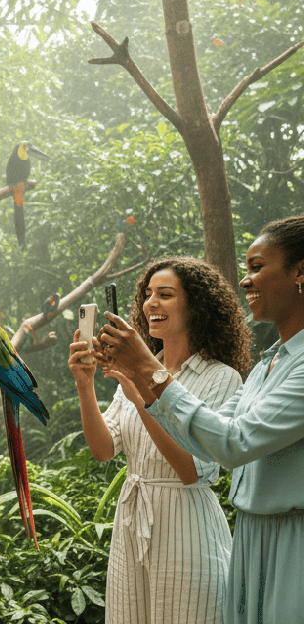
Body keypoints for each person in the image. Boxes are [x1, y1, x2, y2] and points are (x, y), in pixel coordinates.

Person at [97, 216, 304, 624]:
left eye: (258, 267)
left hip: (291, 539)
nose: (245, 281)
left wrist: (146, 371)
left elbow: (230, 444)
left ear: (300, 272)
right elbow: (209, 434)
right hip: (249, 536)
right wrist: (130, 377)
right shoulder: (267, 366)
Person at [69, 256, 250, 624]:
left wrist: (140, 392)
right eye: (148, 294)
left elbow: (190, 470)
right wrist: (85, 386)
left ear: (197, 307)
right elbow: (104, 450)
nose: (151, 303)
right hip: (132, 521)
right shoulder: (137, 367)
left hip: (187, 526)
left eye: (165, 294)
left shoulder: (222, 378)